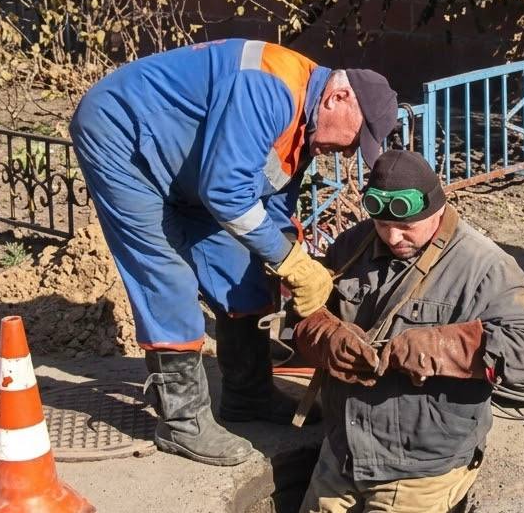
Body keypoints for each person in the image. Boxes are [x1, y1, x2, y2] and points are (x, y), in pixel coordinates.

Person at [69, 39, 399, 465]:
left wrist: (287, 261)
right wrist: (290, 262)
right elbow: (225, 191)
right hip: (122, 139)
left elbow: (273, 206)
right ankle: (181, 423)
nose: (347, 153)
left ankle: (248, 395)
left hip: (189, 170)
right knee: (167, 276)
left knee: (242, 272)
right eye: (352, 141)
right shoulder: (270, 88)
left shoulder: (305, 122)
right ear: (337, 98)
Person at [286, 149, 524, 513]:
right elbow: (302, 314)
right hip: (343, 451)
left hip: (420, 466)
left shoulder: (482, 266)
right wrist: (324, 337)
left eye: (405, 226)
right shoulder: (354, 245)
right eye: (382, 223)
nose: (392, 238)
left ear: (436, 208)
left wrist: (435, 348)